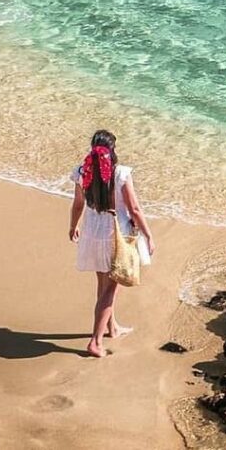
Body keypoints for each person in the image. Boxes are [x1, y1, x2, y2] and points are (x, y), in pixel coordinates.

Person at [68, 129, 154, 358]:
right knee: (110, 289)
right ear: (112, 149)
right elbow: (134, 209)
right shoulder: (120, 173)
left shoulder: (81, 171)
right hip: (115, 233)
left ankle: (112, 328)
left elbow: (78, 204)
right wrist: (148, 234)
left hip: (92, 230)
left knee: (102, 283)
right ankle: (95, 342)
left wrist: (73, 226)